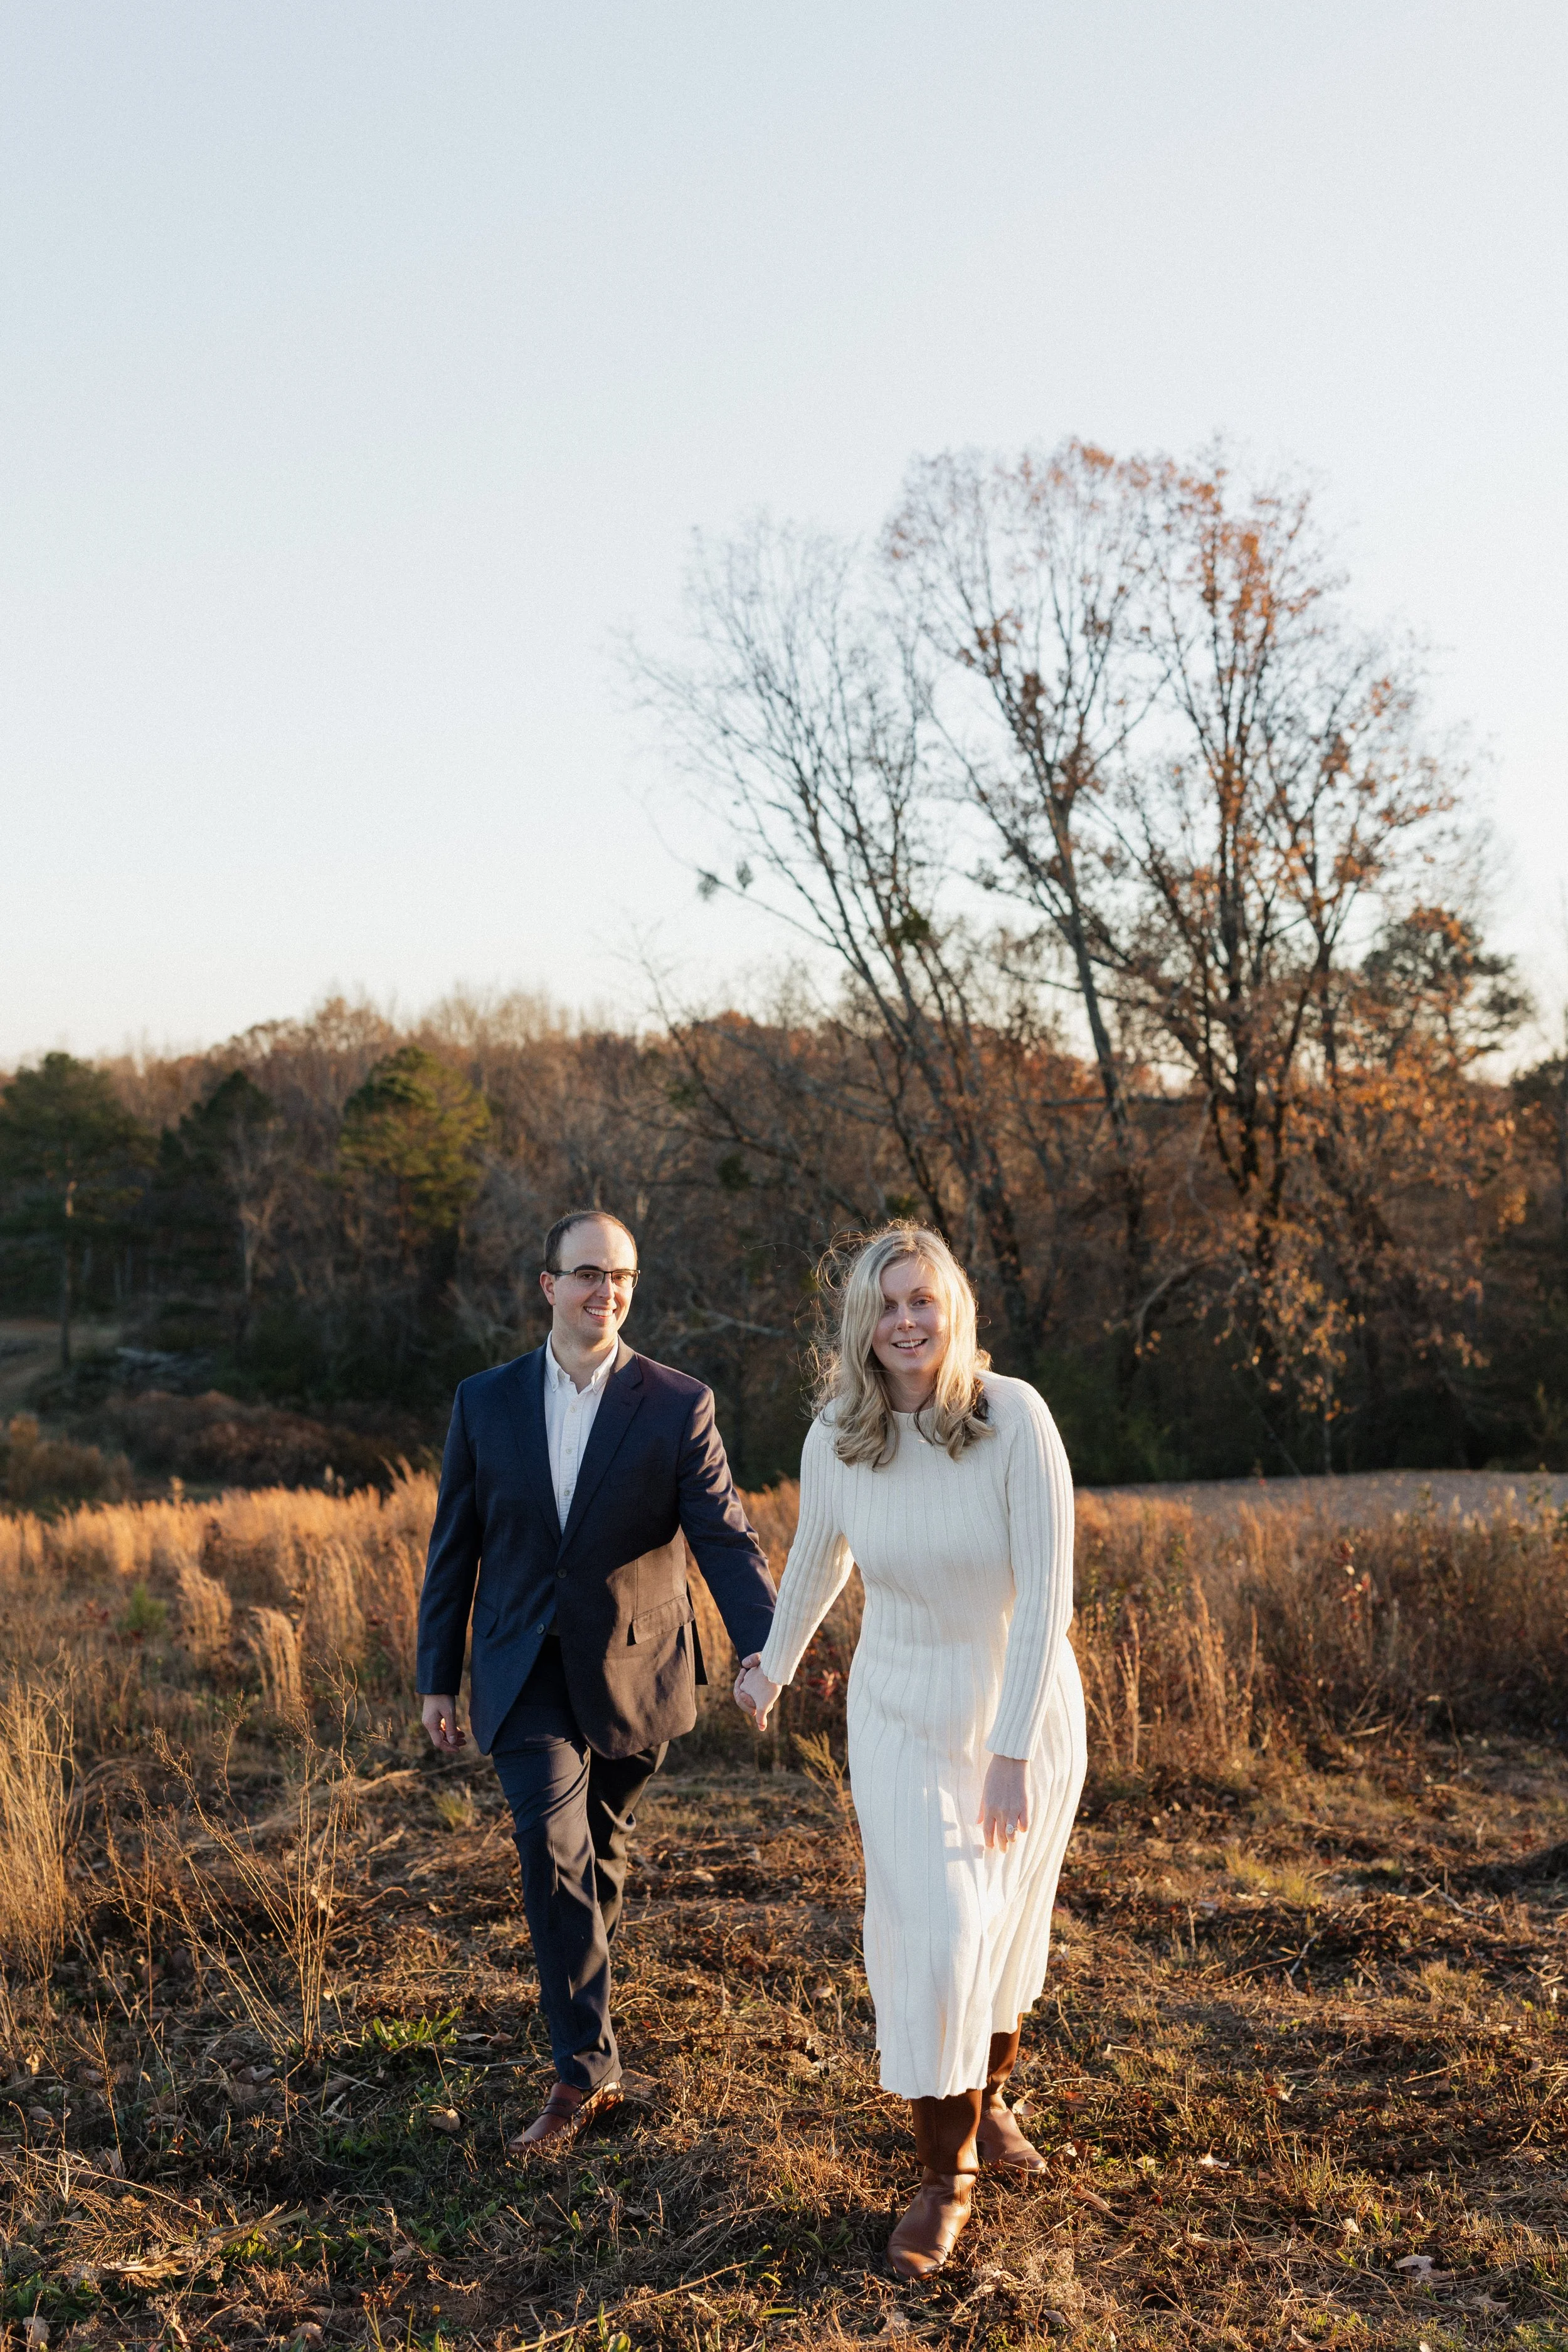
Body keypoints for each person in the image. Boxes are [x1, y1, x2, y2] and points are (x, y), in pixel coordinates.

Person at [735, 1224, 1086, 2279]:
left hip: (1018, 1713)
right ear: (861, 1322)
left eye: (922, 1301)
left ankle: (985, 2107)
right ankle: (946, 2178)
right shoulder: (840, 1434)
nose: (905, 1322)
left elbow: (1047, 1600)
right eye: (886, 1305)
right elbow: (816, 1561)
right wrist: (772, 1664)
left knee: (1004, 1938)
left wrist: (1014, 1749)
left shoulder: (1013, 1418)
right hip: (898, 1711)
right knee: (938, 1927)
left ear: (954, 1307)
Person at [417, 1207, 776, 2146]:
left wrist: (764, 1648)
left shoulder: (676, 1402)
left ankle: (582, 1995)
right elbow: (453, 1548)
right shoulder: (484, 1400)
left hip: (637, 1668)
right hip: (519, 1661)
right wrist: (437, 1676)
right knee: (553, 1845)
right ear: (547, 1286)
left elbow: (724, 1538)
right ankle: (585, 2072)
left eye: (620, 1276)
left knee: (600, 1857)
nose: (604, 1292)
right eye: (585, 1274)